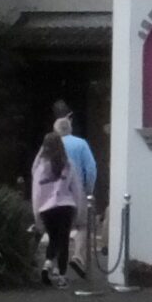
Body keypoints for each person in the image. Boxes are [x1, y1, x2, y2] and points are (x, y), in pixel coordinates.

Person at [30, 132, 79, 287]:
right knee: (63, 241)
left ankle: (47, 264)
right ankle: (62, 276)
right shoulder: (68, 164)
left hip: (46, 208)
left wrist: (36, 212)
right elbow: (75, 187)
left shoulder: (40, 166)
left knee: (53, 238)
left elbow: (37, 191)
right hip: (65, 205)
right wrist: (78, 207)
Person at [53, 115, 98, 276]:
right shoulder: (81, 144)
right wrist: (89, 189)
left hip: (56, 193)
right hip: (77, 191)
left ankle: (58, 265)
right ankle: (78, 256)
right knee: (82, 226)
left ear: (56, 131)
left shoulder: (51, 146)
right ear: (70, 129)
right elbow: (91, 168)